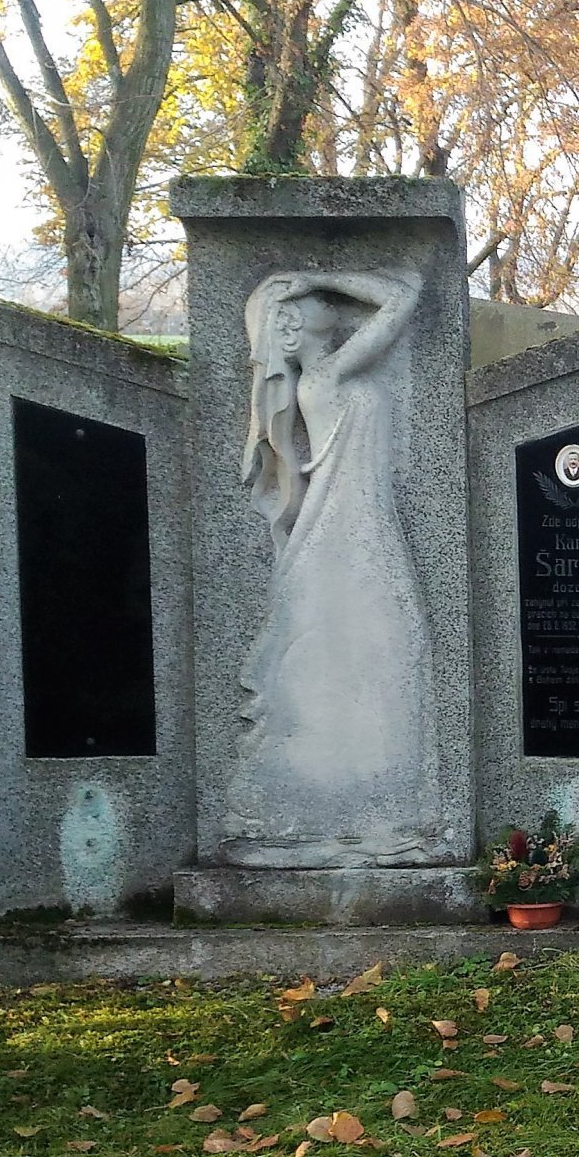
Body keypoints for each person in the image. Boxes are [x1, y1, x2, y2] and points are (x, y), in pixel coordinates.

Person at [224, 268, 448, 867]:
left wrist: (308, 280)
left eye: (298, 313)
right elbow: (403, 297)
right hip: (349, 534)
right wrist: (321, 276)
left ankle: (374, 812)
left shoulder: (324, 378)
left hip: (357, 531)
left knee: (378, 658)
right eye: (286, 318)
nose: (294, 323)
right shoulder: (323, 379)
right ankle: (342, 813)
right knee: (377, 655)